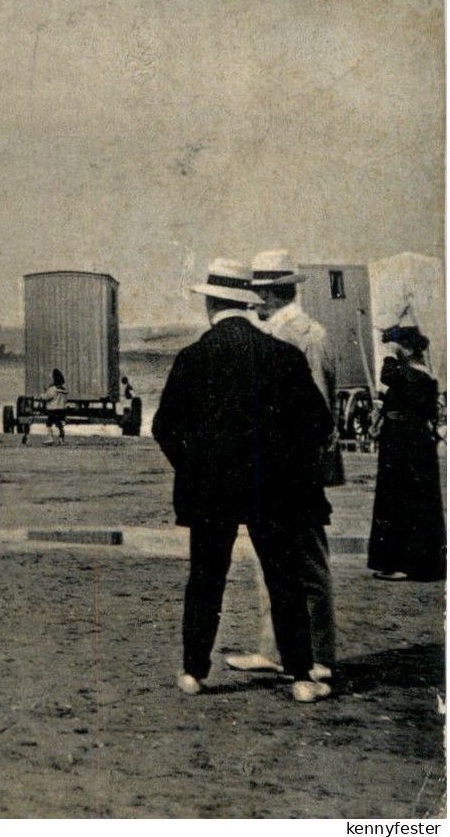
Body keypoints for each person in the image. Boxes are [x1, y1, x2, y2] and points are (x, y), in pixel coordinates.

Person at [152, 259, 335, 704]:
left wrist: (193, 467)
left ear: (211, 305)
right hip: (271, 487)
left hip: (211, 488)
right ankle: (301, 677)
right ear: (249, 305)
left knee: (206, 577)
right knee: (283, 578)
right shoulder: (283, 355)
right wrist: (286, 468)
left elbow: (164, 427)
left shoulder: (193, 357)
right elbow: (318, 424)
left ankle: (194, 671)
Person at [223, 250, 340, 680]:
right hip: (276, 472)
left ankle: (321, 655)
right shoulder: (279, 332)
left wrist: (307, 472)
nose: (252, 299)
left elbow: (321, 414)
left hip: (296, 473)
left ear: (270, 291)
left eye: (257, 290)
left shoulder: (307, 334)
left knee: (307, 563)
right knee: (271, 562)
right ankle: (276, 648)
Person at [368, 326, 445, 582]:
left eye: (398, 345)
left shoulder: (410, 374)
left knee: (401, 499)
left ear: (408, 348)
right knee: (412, 500)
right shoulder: (421, 374)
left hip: (405, 446)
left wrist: (389, 354)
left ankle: (404, 563)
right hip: (411, 443)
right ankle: (415, 562)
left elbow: (387, 375)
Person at [41, 368, 69, 445]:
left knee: (49, 423)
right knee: (59, 424)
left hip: (52, 410)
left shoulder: (52, 389)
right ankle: (61, 438)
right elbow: (66, 400)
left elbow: (46, 397)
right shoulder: (64, 390)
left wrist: (43, 394)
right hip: (62, 410)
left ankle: (50, 437)